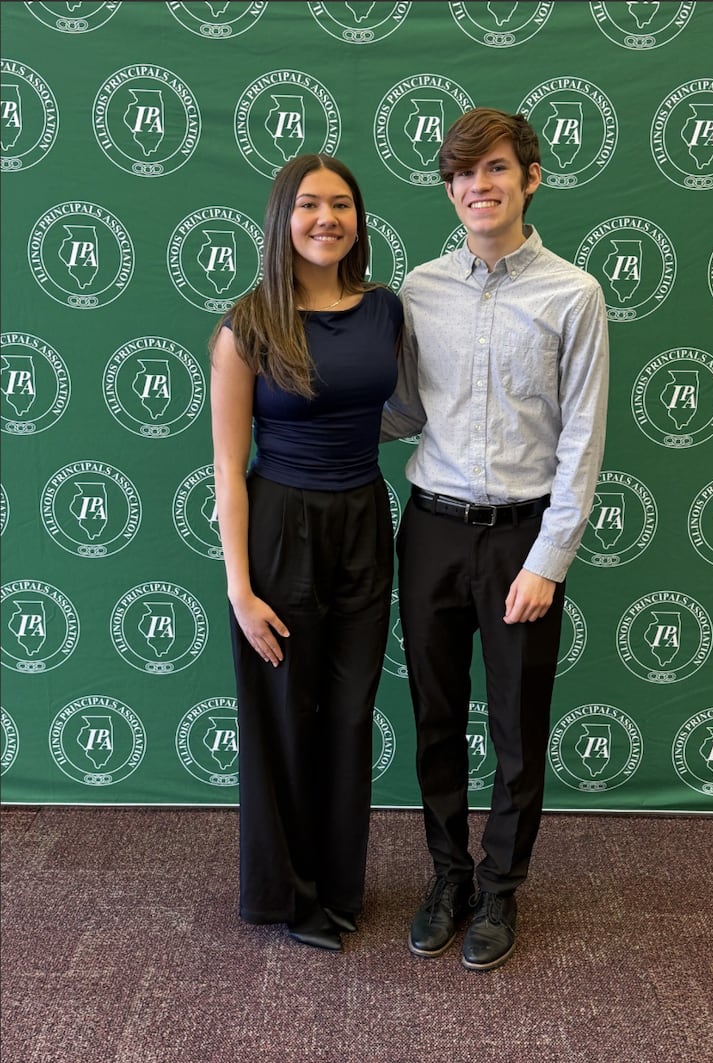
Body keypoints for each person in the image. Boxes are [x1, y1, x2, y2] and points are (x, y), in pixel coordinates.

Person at [382, 109, 609, 971]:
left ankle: (503, 888)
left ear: (530, 178)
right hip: (431, 528)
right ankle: (448, 877)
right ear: (449, 190)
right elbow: (403, 411)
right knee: (435, 716)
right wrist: (315, 401)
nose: (478, 186)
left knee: (518, 727)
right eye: (462, 174)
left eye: (495, 170)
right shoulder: (419, 288)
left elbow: (583, 439)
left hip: (523, 534)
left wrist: (549, 561)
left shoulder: (573, 294)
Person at [210, 154, 402, 953]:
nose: (328, 218)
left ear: (359, 221)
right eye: (310, 205)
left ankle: (339, 883)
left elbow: (411, 409)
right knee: (287, 713)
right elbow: (226, 465)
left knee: (351, 712)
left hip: (364, 516)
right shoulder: (247, 323)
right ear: (282, 217)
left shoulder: (386, 309)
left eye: (343, 206)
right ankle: (288, 896)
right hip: (279, 525)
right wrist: (240, 590)